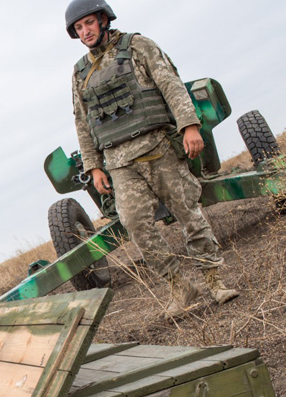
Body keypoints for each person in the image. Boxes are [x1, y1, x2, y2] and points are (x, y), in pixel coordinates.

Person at [66, 0, 239, 319]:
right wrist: (93, 166)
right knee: (134, 224)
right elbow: (82, 120)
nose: (85, 31)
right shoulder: (79, 74)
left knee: (188, 213)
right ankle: (178, 285)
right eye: (78, 28)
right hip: (119, 161)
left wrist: (189, 125)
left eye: (89, 23)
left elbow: (170, 84)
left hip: (157, 146)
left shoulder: (138, 46)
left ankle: (214, 281)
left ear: (103, 19)